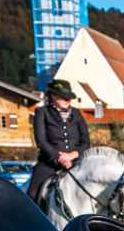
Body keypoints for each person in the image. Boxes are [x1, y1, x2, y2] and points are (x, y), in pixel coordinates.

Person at [28, 79, 89, 208]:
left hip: (76, 163)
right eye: (64, 97)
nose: (67, 101)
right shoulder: (42, 113)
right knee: (32, 194)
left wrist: (72, 155)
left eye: (69, 98)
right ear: (53, 96)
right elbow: (41, 141)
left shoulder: (77, 114)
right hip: (49, 163)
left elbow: (85, 142)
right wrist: (60, 157)